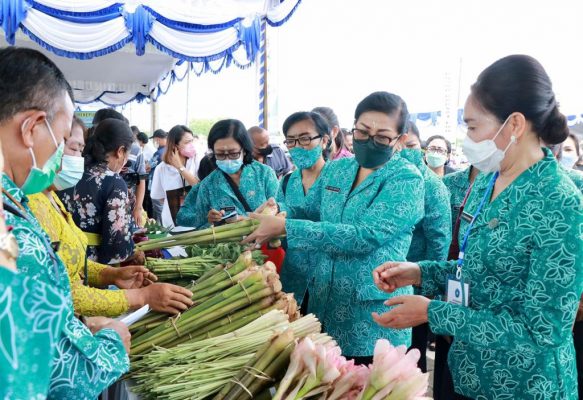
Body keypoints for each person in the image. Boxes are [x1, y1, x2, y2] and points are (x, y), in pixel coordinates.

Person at [373, 55, 582, 399]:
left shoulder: (559, 201)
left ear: (514, 125)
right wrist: (420, 272)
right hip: (469, 370)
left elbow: (543, 332)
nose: (467, 137)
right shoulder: (489, 179)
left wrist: (433, 312)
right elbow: (477, 268)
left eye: (472, 127)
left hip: (524, 384)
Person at [244, 91, 424, 364]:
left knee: (368, 382)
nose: (370, 141)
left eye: (382, 137)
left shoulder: (406, 180)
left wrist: (285, 227)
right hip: (324, 302)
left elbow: (365, 236)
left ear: (399, 139)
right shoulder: (337, 170)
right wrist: (275, 211)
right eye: (362, 132)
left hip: (372, 314)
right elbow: (308, 211)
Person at [0, 47, 129, 398]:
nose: (60, 159)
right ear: (31, 128)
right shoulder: (10, 234)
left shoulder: (16, 202)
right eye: (61, 142)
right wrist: (111, 343)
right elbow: (50, 371)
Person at [29, 118, 193, 317]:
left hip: (85, 289)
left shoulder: (51, 195)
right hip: (69, 311)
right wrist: (141, 296)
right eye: (71, 147)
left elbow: (69, 262)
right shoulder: (27, 204)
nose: (77, 158)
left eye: (80, 149)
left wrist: (111, 274)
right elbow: (57, 292)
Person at [400, 121, 452, 373]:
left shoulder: (431, 185)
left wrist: (428, 291)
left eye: (410, 145)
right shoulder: (382, 178)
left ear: (419, 147)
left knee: (410, 356)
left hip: (414, 282)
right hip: (380, 282)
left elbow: (439, 241)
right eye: (397, 145)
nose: (403, 151)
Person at [177, 119, 278, 229]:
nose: (227, 159)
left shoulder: (264, 174)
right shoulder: (208, 185)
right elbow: (184, 218)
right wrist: (208, 218)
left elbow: (282, 208)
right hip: (227, 240)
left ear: (244, 150)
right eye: (220, 154)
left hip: (264, 237)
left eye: (233, 153)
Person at [61, 118, 135, 265]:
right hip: (91, 265)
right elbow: (117, 247)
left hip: (60, 256)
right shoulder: (114, 182)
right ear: (120, 151)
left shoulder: (67, 171)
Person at [276, 111, 331, 308]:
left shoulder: (339, 179)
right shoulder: (287, 181)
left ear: (324, 141)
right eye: (291, 141)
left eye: (305, 139)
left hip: (328, 277)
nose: (298, 146)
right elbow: (279, 221)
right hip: (294, 275)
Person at [151, 125, 201, 227]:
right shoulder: (161, 168)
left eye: (192, 141)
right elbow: (160, 197)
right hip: (171, 223)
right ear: (175, 145)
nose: (191, 145)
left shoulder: (196, 160)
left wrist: (180, 168)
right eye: (187, 142)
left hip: (196, 220)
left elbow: (200, 187)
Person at [148, 128, 168, 223]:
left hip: (157, 184)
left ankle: (161, 228)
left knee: (159, 209)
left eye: (155, 140)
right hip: (166, 184)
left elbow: (148, 167)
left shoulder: (159, 153)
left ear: (157, 139)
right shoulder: (170, 149)